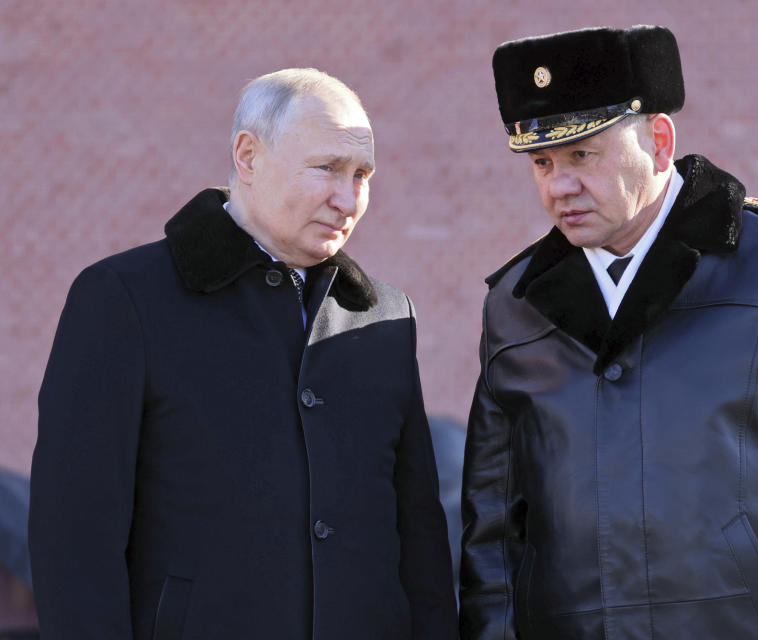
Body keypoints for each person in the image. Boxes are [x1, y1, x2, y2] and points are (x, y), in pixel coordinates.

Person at [459, 25, 758, 640]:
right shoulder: (514, 306)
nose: (558, 186)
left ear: (658, 140)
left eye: (582, 155)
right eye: (541, 162)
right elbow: (491, 535)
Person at [30, 68, 458, 640]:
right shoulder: (124, 299)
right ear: (248, 157)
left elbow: (419, 541)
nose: (347, 198)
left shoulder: (384, 315)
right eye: (327, 168)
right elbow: (74, 537)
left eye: (362, 174)